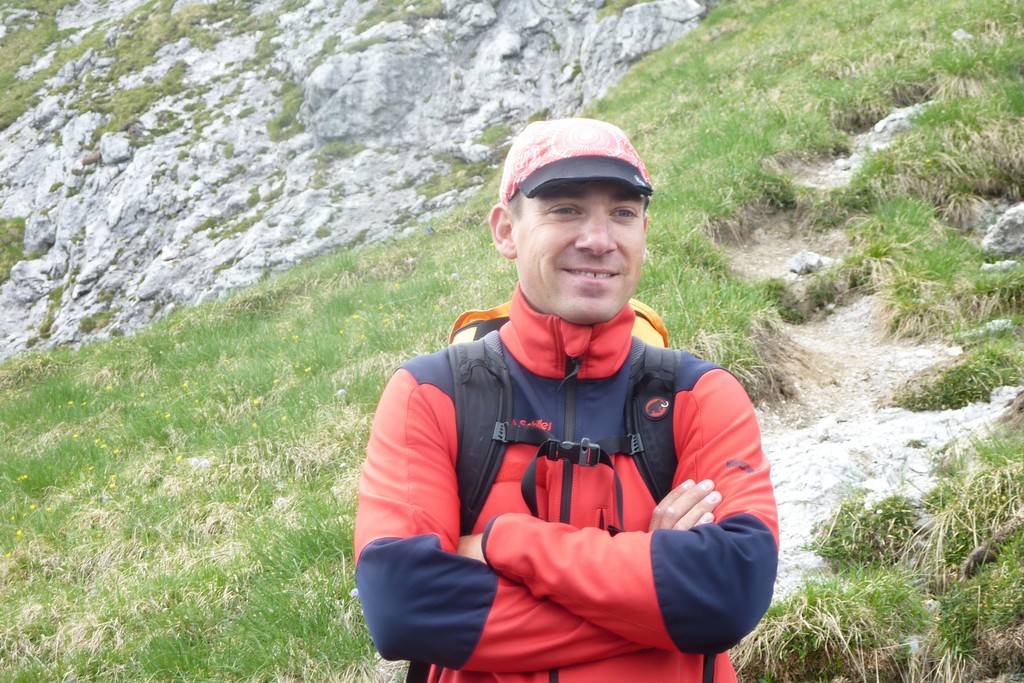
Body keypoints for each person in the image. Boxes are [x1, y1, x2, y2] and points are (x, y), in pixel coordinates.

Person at [354, 118, 779, 682]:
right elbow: (403, 609)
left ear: (644, 232)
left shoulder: (700, 396)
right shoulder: (431, 396)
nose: (599, 240)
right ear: (506, 230)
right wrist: (658, 595)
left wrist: (504, 542)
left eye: (623, 212)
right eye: (565, 209)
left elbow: (729, 593)